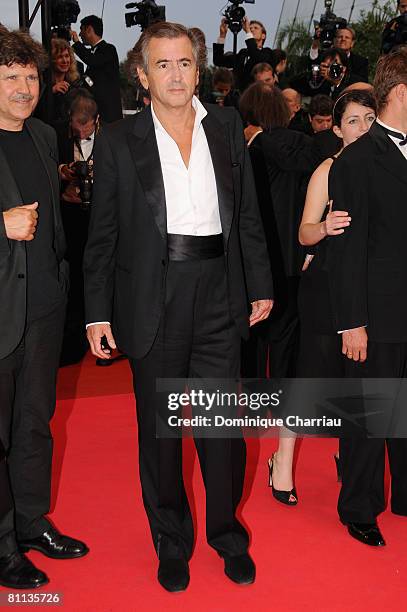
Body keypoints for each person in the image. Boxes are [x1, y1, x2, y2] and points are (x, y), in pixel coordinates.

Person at [84, 22, 273, 592]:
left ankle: (225, 535)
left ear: (198, 68)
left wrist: (259, 282)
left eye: (184, 62)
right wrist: (97, 313)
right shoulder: (120, 139)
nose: (174, 74)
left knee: (222, 431)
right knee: (162, 435)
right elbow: (103, 235)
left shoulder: (228, 126)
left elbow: (246, 217)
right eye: (162, 64)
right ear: (142, 75)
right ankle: (171, 538)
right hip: (153, 297)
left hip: (219, 290)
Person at [0, 29, 88, 590]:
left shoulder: (43, 135)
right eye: (10, 77)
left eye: (30, 76)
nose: (24, 87)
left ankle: (31, 524)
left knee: (35, 423)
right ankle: (3, 544)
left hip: (44, 307)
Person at [269, 90, 376, 503]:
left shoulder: (385, 170)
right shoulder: (327, 170)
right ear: (336, 129)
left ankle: (346, 455)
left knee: (358, 379)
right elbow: (303, 233)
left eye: (369, 117)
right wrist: (325, 227)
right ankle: (282, 460)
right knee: (313, 375)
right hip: (325, 288)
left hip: (369, 289)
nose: (363, 127)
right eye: (353, 120)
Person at [326, 47, 407, 547]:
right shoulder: (356, 161)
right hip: (374, 313)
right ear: (401, 92)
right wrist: (350, 320)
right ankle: (359, 506)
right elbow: (347, 252)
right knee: (369, 414)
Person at [238, 83, 323, 415]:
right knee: (288, 333)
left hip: (260, 259)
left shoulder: (252, 152)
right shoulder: (308, 146)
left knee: (256, 334)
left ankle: (258, 402)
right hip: (298, 256)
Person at [56, 90, 99, 366]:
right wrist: (63, 176)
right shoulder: (58, 140)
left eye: (85, 125)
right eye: (76, 125)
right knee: (72, 276)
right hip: (70, 217)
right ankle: (73, 340)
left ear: (97, 120)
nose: (80, 131)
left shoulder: (111, 141)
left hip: (98, 219)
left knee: (97, 275)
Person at [70, 15, 122, 123]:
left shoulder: (108, 49)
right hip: (95, 114)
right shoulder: (93, 53)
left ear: (89, 30)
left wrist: (76, 42)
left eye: (81, 30)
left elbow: (92, 60)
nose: (79, 34)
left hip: (109, 116)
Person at [213, 17, 274, 91]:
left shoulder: (267, 52)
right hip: (239, 96)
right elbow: (218, 61)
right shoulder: (243, 53)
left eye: (256, 28)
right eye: (250, 28)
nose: (252, 29)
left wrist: (248, 31)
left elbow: (256, 56)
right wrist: (222, 35)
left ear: (263, 36)